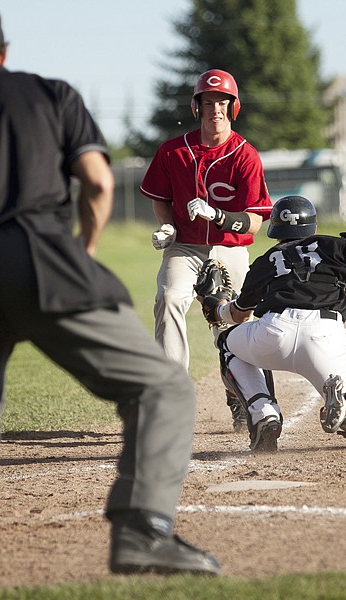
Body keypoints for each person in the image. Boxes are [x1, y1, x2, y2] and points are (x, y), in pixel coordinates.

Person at [0, 2, 220, 586]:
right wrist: (82, 251)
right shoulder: (49, 92)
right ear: (3, 53)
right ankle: (141, 528)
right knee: (161, 386)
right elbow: (100, 182)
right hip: (42, 261)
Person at [199, 195, 346, 452]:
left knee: (228, 343)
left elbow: (238, 315)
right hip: (325, 337)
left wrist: (216, 307)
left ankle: (263, 413)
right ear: (313, 226)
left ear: (276, 228)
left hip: (274, 333)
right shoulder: (338, 245)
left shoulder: (264, 262)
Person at [139, 68, 272, 432]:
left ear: (233, 107)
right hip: (185, 246)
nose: (216, 108)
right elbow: (161, 200)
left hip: (229, 247)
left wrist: (219, 216)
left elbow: (256, 221)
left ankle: (242, 396)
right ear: (197, 107)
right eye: (209, 101)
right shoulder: (173, 151)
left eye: (223, 102)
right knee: (168, 298)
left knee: (235, 321)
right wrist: (167, 226)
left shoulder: (245, 155)